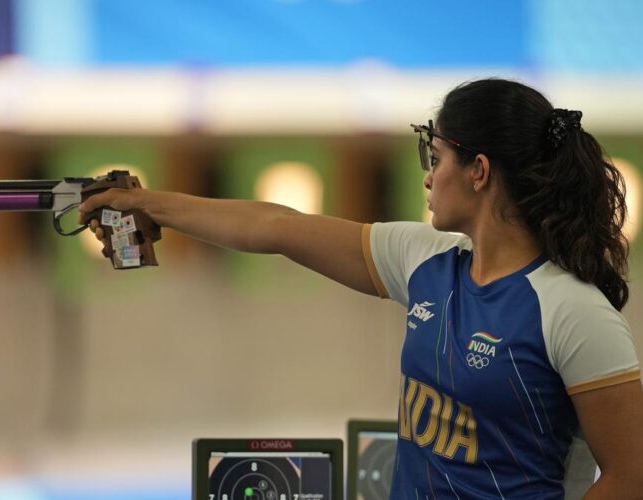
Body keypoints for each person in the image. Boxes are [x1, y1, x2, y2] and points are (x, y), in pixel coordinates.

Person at [78, 78, 643, 498]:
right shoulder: (427, 260)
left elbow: (628, 475)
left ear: (479, 170)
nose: (428, 174)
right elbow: (277, 227)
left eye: (437, 155)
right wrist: (147, 204)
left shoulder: (572, 312)